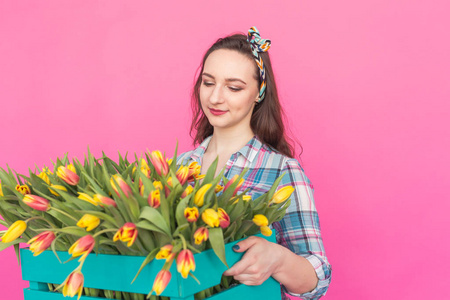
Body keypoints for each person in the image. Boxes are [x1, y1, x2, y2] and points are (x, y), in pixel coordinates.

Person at [177, 27, 332, 299]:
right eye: (208, 82)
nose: (215, 98)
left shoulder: (282, 171)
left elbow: (315, 280)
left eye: (234, 87)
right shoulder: (179, 167)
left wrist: (278, 259)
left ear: (259, 92)